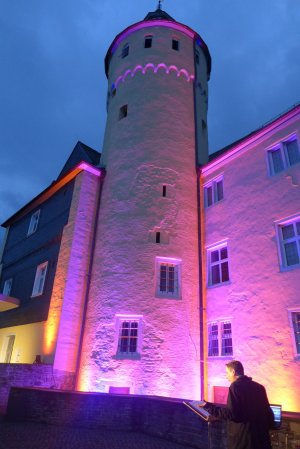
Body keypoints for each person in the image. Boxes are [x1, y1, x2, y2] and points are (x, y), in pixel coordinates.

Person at [201, 361, 274, 449]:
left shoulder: (235, 386)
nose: (226, 376)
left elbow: (232, 413)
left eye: (227, 373)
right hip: (262, 440)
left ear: (233, 372)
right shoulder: (260, 387)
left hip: (244, 441)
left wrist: (209, 407)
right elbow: (269, 414)